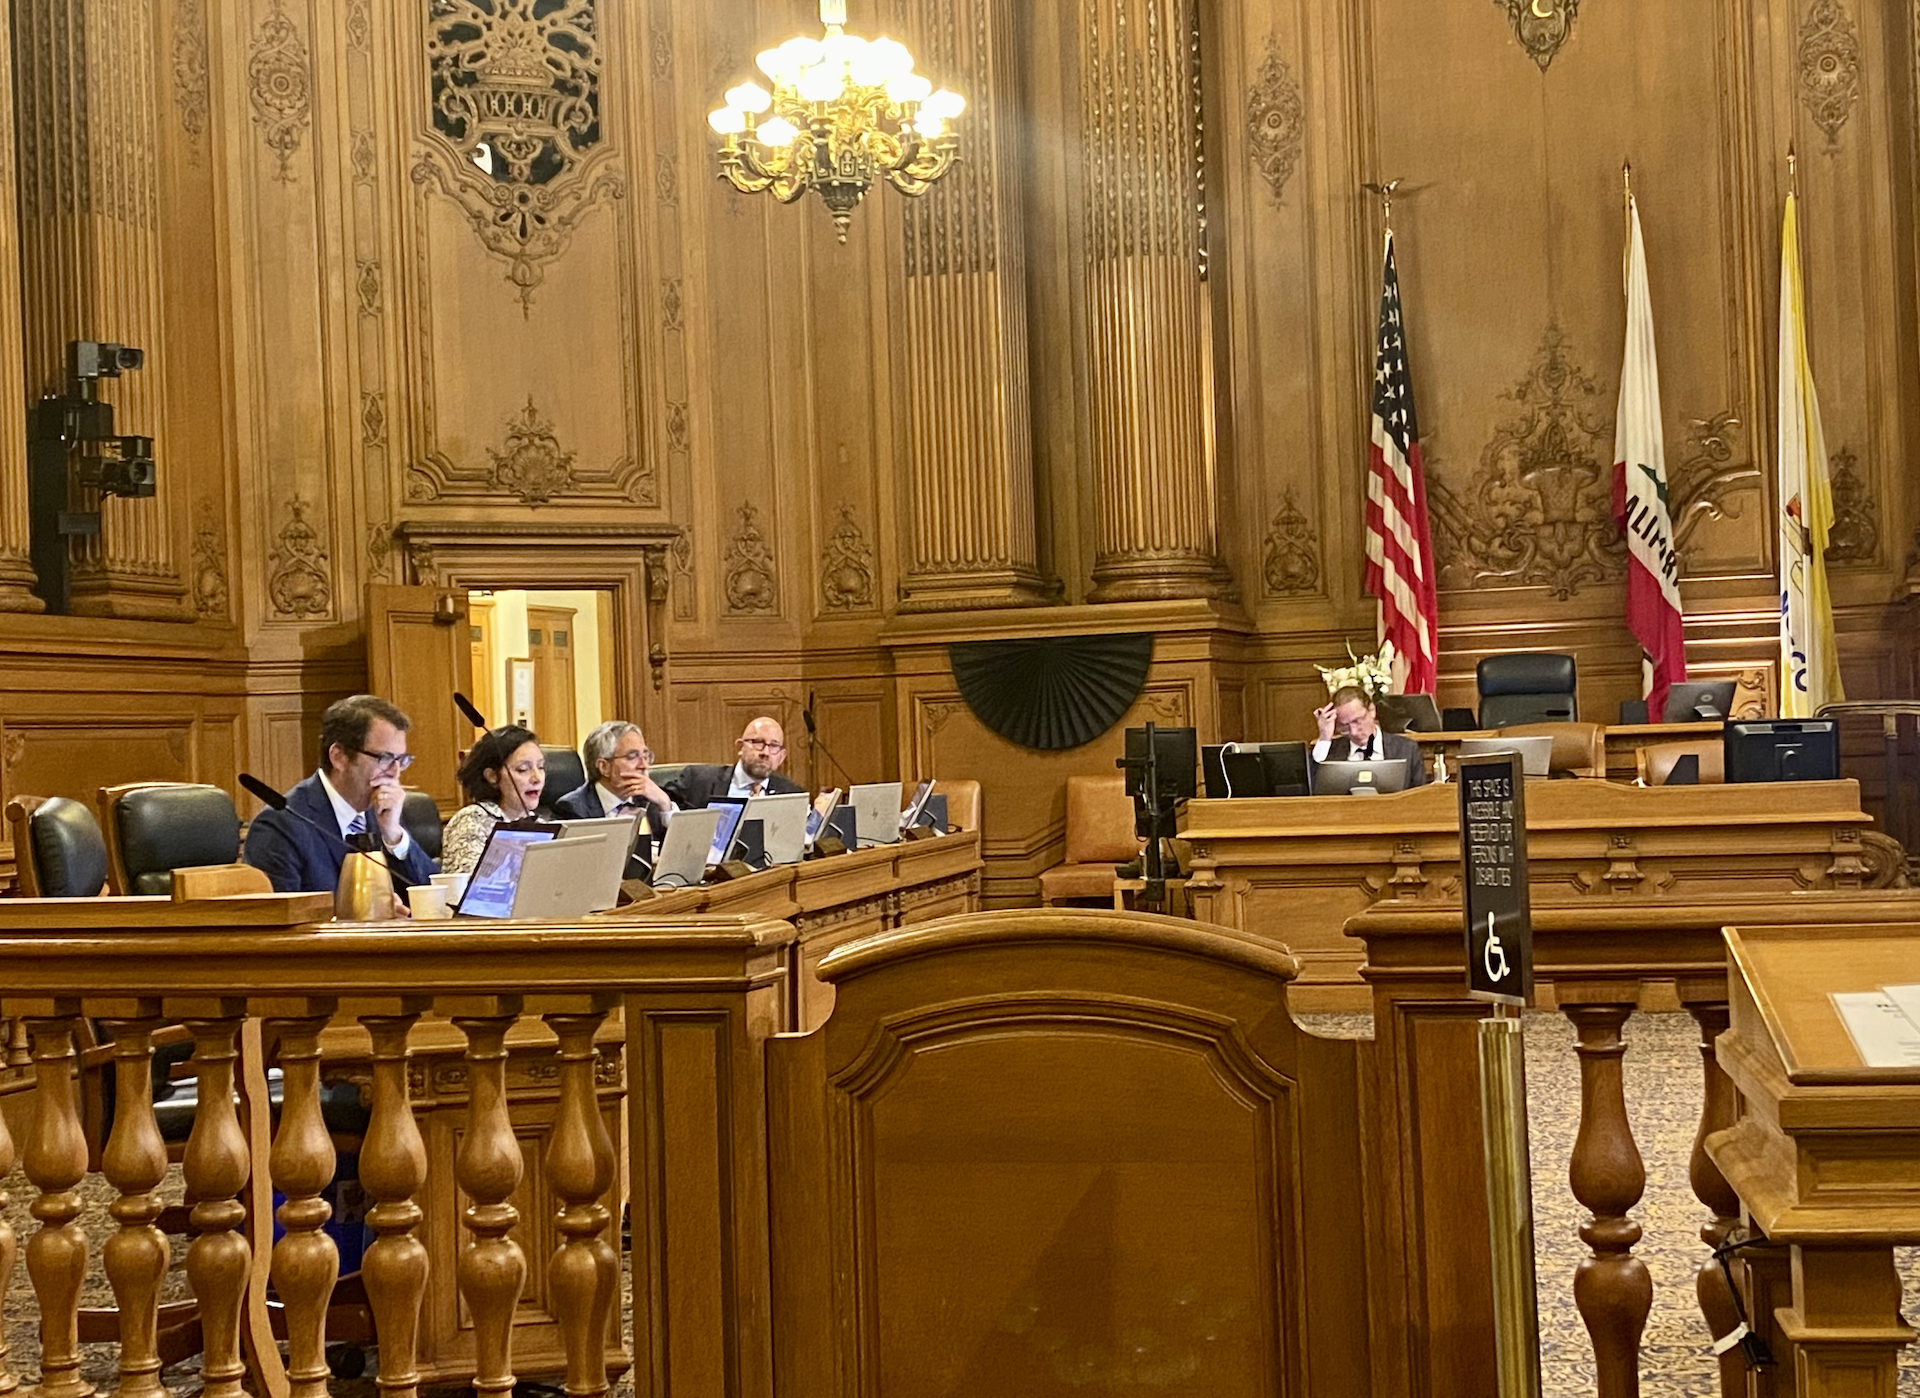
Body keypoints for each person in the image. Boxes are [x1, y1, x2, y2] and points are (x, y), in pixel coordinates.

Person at [244, 693, 439, 894]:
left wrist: (394, 836)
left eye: (401, 760)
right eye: (385, 758)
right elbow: (282, 916)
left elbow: (434, 896)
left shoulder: (384, 812)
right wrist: (370, 913)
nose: (394, 772)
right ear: (339, 757)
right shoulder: (281, 826)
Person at [440, 724, 547, 876]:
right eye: (523, 769)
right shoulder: (471, 821)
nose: (537, 778)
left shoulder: (541, 825)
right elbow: (472, 888)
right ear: (492, 776)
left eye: (541, 767)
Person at [552, 720, 674, 836]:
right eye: (632, 757)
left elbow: (682, 848)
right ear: (604, 767)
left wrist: (665, 804)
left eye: (646, 756)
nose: (644, 765)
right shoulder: (573, 809)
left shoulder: (652, 799)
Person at [664, 715, 804, 809]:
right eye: (758, 742)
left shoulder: (792, 793)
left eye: (774, 746)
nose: (765, 753)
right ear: (740, 747)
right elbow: (660, 809)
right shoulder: (698, 780)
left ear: (781, 756)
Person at [1312, 685, 1428, 787]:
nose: (1353, 732)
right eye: (1345, 727)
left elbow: (1420, 796)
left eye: (1357, 721)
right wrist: (1324, 737)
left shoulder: (1406, 749)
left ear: (1372, 710)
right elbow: (1313, 788)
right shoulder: (1330, 752)